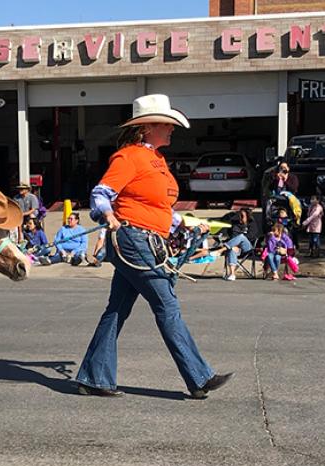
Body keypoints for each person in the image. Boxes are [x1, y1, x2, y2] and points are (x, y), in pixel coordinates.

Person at [76, 93, 231, 399]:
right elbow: (101, 193)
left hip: (145, 237)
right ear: (147, 128)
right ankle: (199, 377)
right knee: (167, 306)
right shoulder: (128, 157)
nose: (172, 129)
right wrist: (107, 214)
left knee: (117, 309)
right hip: (134, 239)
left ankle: (94, 377)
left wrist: (184, 222)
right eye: (166, 124)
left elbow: (157, 206)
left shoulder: (157, 160)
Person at [220, 208, 260, 281]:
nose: (240, 217)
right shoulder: (235, 224)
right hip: (235, 247)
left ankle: (222, 249)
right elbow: (231, 235)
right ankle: (232, 274)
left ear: (247, 216)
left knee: (241, 237)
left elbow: (251, 236)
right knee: (232, 249)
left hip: (247, 248)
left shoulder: (252, 224)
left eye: (242, 215)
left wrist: (239, 241)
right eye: (239, 215)